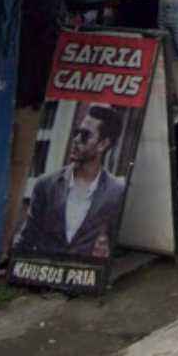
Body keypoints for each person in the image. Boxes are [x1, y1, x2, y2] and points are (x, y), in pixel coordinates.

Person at [15, 104, 129, 259]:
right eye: (77, 133)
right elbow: (26, 239)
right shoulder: (46, 185)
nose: (76, 140)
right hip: (45, 269)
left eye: (85, 135)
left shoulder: (117, 191)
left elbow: (118, 244)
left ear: (103, 144)